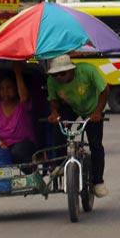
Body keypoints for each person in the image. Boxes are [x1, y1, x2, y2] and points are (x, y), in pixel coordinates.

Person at [46, 54, 110, 198]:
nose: (59, 78)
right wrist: (54, 112)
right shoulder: (52, 81)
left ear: (71, 70)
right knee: (59, 126)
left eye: (62, 74)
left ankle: (98, 182)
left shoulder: (87, 71)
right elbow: (53, 99)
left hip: (93, 109)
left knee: (95, 144)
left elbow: (104, 90)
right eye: (55, 74)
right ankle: (58, 163)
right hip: (72, 107)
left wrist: (98, 112)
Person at [0, 62, 37, 169]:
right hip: (0, 144)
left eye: (9, 88)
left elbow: (24, 97)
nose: (5, 92)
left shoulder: (23, 104)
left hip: (23, 144)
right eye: (2, 88)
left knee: (16, 152)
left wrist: (18, 73)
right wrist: (1, 145)